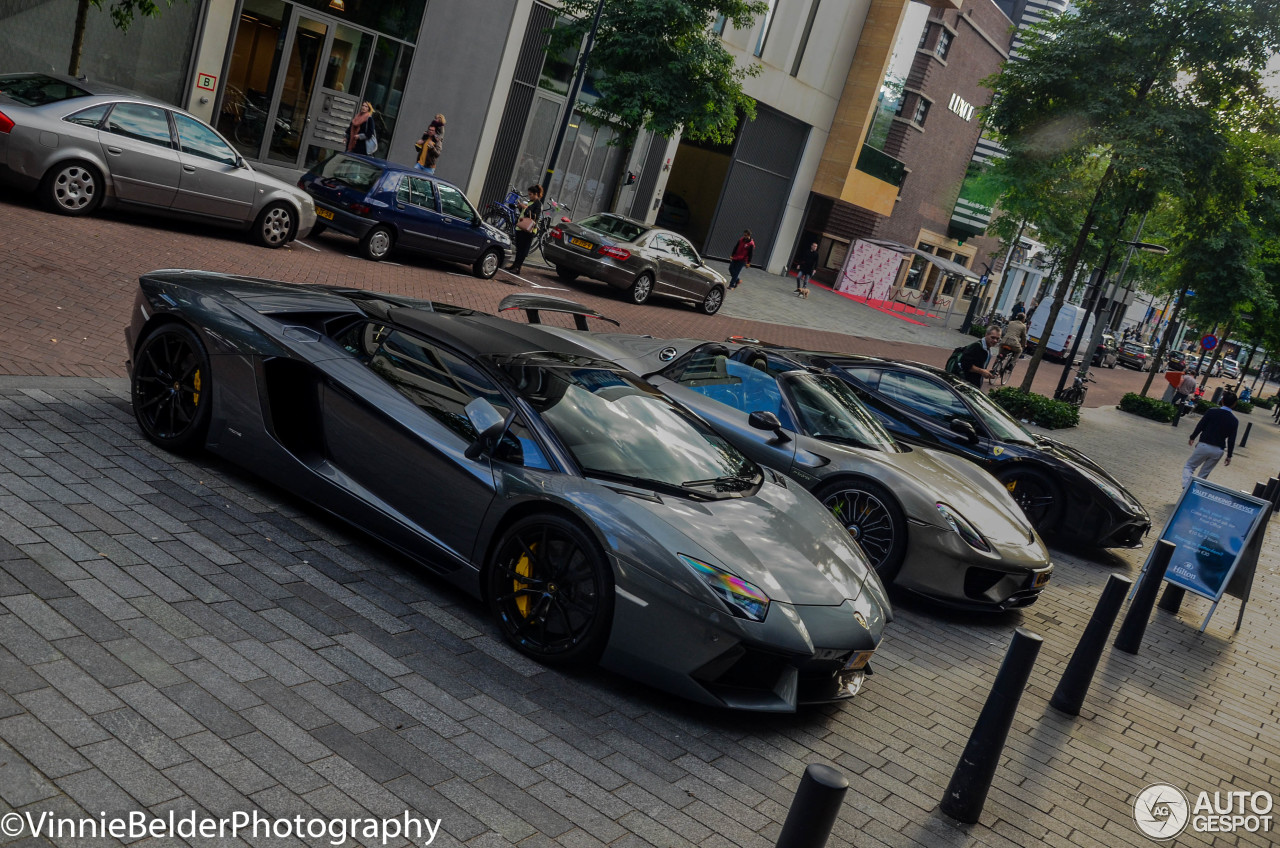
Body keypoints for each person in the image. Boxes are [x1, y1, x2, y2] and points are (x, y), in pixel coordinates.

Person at [1182, 392, 1238, 488]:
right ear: (1234, 404)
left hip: (1204, 444)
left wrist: (1193, 437)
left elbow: (1201, 425)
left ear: (1222, 400)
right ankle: (1195, 491)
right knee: (1203, 474)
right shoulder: (1234, 420)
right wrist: (1229, 455)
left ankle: (1186, 485)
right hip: (1218, 450)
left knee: (1189, 466)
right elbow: (1231, 440)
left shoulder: (1211, 412)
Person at [508, 184, 543, 275]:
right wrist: (520, 208)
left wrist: (526, 208)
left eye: (531, 194)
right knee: (519, 248)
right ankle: (514, 265)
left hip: (529, 230)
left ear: (536, 194)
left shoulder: (538, 204)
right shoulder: (530, 202)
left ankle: (518, 268)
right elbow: (524, 214)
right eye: (529, 194)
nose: (529, 196)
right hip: (521, 227)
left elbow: (535, 216)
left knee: (523, 250)